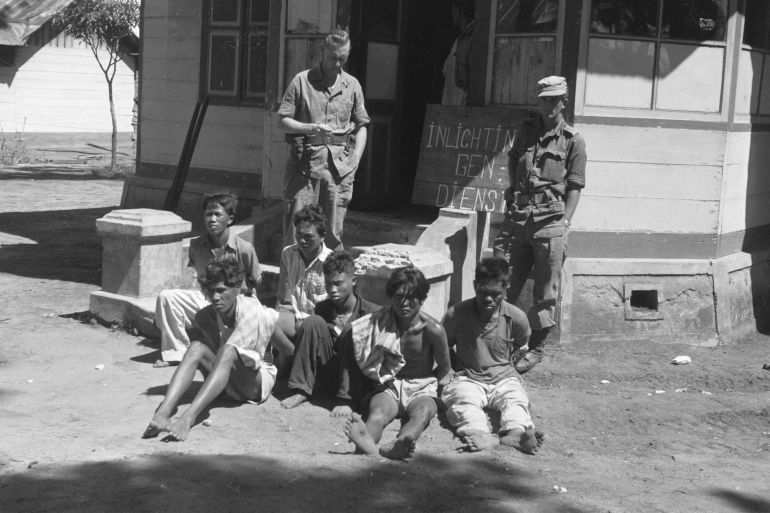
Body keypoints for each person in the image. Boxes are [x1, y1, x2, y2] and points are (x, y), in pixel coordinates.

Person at [494, 75, 587, 373]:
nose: (548, 105)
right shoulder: (526, 131)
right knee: (505, 281)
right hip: (519, 218)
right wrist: (513, 188)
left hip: (550, 222)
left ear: (564, 102)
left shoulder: (573, 140)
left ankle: (536, 348)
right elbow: (512, 159)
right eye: (544, 99)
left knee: (545, 291)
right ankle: (500, 343)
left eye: (554, 99)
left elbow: (575, 185)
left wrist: (565, 221)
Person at [142, 259, 278, 442]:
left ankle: (188, 418)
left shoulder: (251, 309)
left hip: (254, 383)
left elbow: (238, 356)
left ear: (237, 289)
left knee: (229, 350)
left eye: (221, 291)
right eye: (211, 291)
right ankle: (164, 412)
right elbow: (218, 356)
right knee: (196, 347)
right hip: (229, 380)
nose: (215, 297)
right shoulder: (207, 316)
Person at [344, 266, 452, 460]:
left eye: (411, 297)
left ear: (422, 298)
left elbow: (445, 370)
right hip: (390, 383)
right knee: (377, 412)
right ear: (390, 297)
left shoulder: (433, 330)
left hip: (422, 385)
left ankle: (403, 441)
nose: (404, 303)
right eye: (398, 296)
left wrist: (439, 394)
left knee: (422, 413)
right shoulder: (379, 322)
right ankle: (365, 440)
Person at [278, 28, 369, 250]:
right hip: (304, 170)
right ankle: (293, 283)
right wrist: (312, 128)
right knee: (297, 236)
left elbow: (362, 125)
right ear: (322, 51)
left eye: (343, 58)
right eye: (333, 58)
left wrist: (356, 158)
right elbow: (282, 121)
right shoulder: (302, 81)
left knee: (332, 237)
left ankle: (326, 285)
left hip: (338, 172)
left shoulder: (352, 85)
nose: (338, 64)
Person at [441, 257, 544, 454]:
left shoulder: (517, 318)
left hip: (504, 378)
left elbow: (521, 347)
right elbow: (443, 346)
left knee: (516, 401)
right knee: (463, 402)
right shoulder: (457, 314)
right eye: (482, 292)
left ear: (506, 289)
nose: (488, 299)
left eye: (495, 294)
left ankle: (516, 434)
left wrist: (508, 368)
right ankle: (480, 435)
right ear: (474, 285)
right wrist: (453, 371)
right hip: (468, 377)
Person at [154, 193, 260, 366]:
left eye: (218, 215)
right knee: (167, 297)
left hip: (236, 303)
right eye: (208, 215)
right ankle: (177, 354)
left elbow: (255, 281)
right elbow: (197, 279)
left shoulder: (244, 249)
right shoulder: (196, 246)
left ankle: (229, 356)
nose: (212, 219)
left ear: (230, 219)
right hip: (207, 298)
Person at [280, 250, 379, 412]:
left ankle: (347, 400)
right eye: (328, 284)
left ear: (353, 281)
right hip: (329, 377)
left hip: (358, 382)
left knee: (352, 330)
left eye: (338, 284)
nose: (332, 289)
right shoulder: (323, 308)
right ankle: (301, 389)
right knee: (311, 322)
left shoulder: (371, 313)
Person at [270, 203, 333, 373]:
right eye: (298, 235)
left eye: (309, 236)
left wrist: (305, 323)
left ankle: (289, 363)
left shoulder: (332, 261)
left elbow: (335, 306)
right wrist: (283, 311)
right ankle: (289, 354)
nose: (302, 240)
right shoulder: (288, 253)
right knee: (264, 318)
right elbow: (284, 296)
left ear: (322, 236)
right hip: (294, 316)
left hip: (318, 322)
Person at [441, 0, 475, 106]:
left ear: (458, 10)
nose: (451, 14)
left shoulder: (473, 39)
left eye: (452, 9)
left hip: (462, 107)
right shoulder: (458, 41)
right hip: (450, 104)